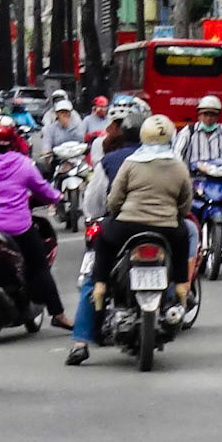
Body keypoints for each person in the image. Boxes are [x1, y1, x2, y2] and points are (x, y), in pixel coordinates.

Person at [0, 117, 73, 330]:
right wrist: (58, 197)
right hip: (16, 230)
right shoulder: (23, 164)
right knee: (39, 266)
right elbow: (43, 190)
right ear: (13, 140)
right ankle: (58, 314)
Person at [65, 113, 144, 366]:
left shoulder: (111, 160)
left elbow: (94, 202)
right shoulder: (169, 159)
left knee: (93, 276)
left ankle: (80, 342)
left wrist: (100, 216)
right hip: (164, 227)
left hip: (119, 226)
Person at [92, 114, 193, 309]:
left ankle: (100, 285)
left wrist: (115, 214)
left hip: (127, 225)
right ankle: (182, 288)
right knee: (183, 238)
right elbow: (185, 204)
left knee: (103, 237)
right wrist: (175, 216)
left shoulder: (131, 163)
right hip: (167, 228)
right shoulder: (179, 166)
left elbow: (114, 199)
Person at [173, 94, 222, 251]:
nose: (208, 118)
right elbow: (177, 155)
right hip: (195, 181)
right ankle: (180, 237)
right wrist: (179, 170)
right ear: (199, 115)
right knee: (179, 204)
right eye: (205, 114)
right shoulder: (188, 132)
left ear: (218, 116)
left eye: (212, 115)